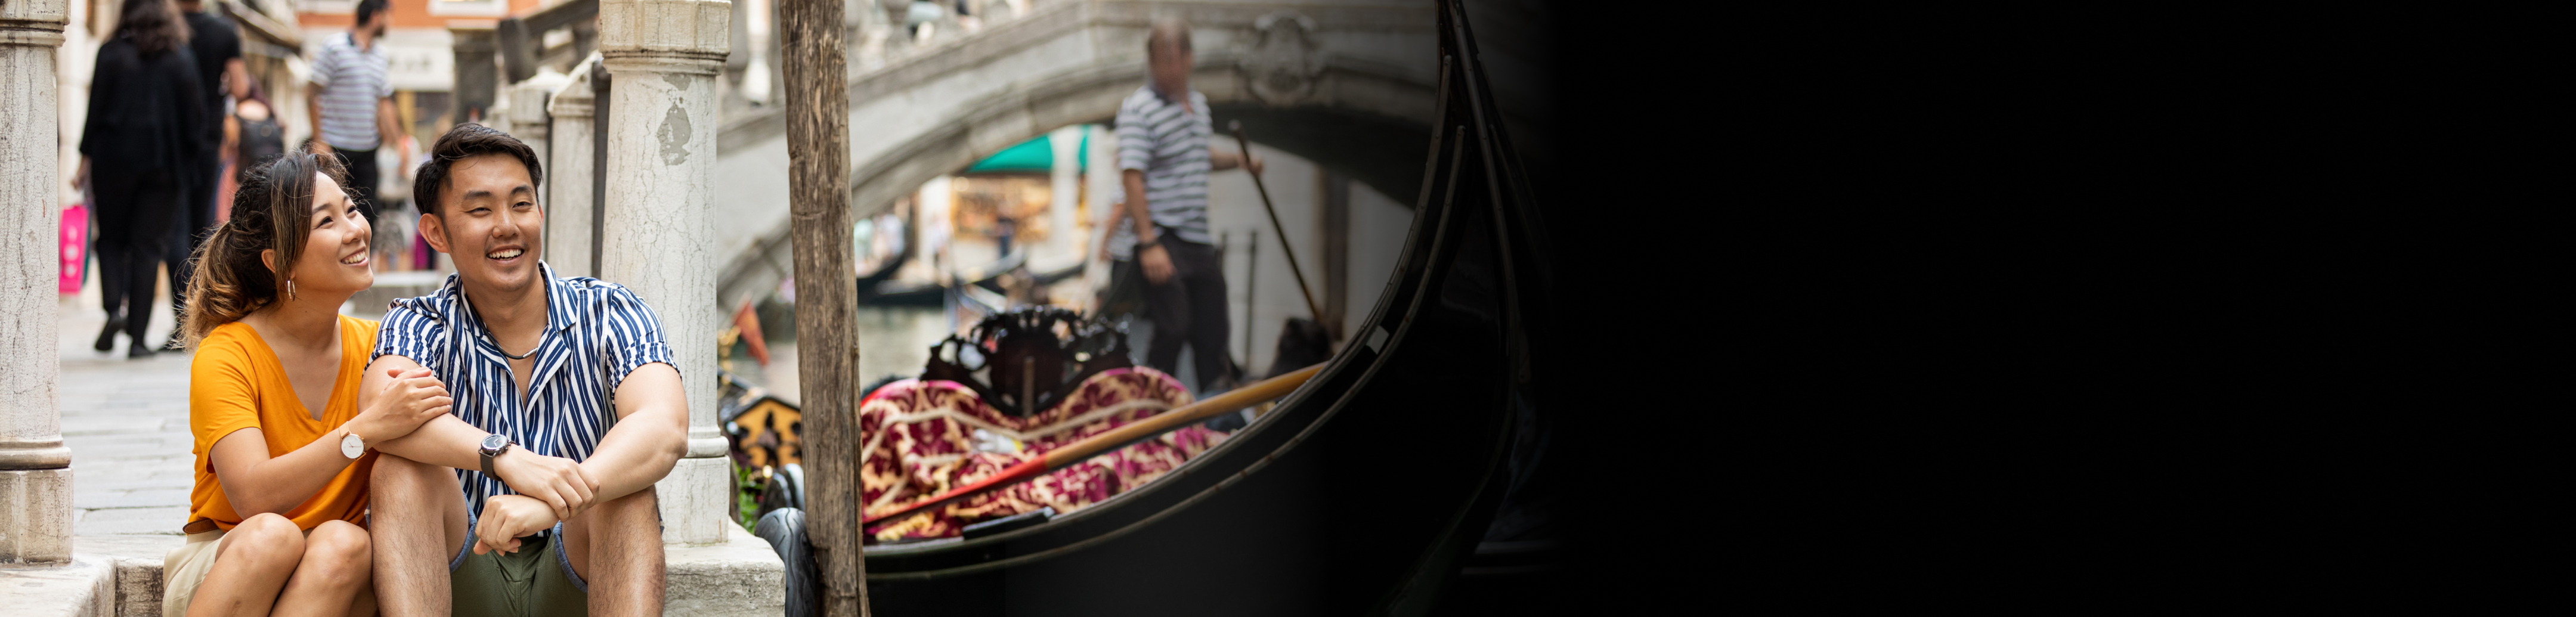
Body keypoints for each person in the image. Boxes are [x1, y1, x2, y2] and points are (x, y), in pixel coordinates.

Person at [363, 125, 689, 617]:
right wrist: (502, 457)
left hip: (574, 570)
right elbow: (380, 412)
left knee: (625, 491)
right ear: (436, 232)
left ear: (540, 212)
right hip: (467, 570)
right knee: (399, 473)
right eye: (479, 210)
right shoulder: (420, 322)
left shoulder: (610, 310)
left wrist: (553, 502)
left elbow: (665, 427)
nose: (506, 226)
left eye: (520, 204)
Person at [160, 150, 457, 617]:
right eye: (327, 222)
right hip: (231, 561)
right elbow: (254, 496)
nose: (356, 230)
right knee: (272, 536)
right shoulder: (228, 353)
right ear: (280, 263)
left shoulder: (380, 346)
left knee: (346, 542)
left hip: (330, 578)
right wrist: (366, 429)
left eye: (352, 210)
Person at [1114, 18, 1262, 391]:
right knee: (1173, 327)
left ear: (1191, 59)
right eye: (1164, 60)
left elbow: (1199, 155)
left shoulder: (1197, 104)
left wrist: (1240, 162)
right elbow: (1132, 175)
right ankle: (1151, 414)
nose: (1172, 69)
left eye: (1178, 59)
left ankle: (1216, 419)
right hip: (1163, 237)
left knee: (1213, 329)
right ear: (1151, 61)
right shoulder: (1138, 109)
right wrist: (1148, 242)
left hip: (1199, 239)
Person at [76, 0, 209, 358]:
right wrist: (190, 163)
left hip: (112, 162)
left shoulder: (110, 53)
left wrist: (84, 159)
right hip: (163, 169)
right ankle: (137, 340)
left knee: (112, 240)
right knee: (149, 247)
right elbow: (196, 118)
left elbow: (95, 111)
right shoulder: (180, 57)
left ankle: (113, 309)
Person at [163, 0, 250, 349]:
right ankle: (195, 317)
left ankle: (177, 319)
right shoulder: (224, 31)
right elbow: (241, 88)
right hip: (207, 139)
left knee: (172, 228)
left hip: (168, 139)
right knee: (200, 230)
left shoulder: (163, 27)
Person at [306, 0, 410, 226]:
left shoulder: (380, 56)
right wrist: (320, 140)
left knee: (367, 218)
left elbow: (384, 104)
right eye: (388, 16)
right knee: (330, 216)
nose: (389, 23)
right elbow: (312, 93)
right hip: (335, 150)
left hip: (368, 152)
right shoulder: (333, 47)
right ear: (376, 16)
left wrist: (399, 143)